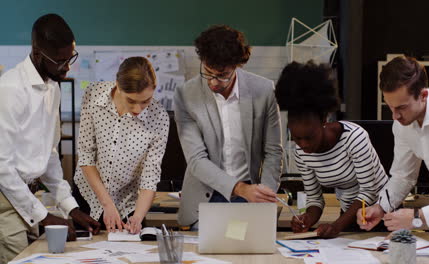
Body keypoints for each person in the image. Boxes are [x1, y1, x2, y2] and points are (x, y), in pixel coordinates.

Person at [0, 14, 100, 262]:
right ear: (37, 53)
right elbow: (1, 165)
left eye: (70, 59)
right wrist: (44, 216)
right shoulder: (11, 89)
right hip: (5, 196)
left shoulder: (52, 86)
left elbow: (50, 154)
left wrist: (70, 207)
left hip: (26, 196)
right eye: (60, 61)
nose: (67, 68)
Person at [174, 25, 283, 227]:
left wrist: (264, 197)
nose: (213, 82)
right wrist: (240, 189)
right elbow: (197, 160)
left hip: (252, 195)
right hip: (206, 196)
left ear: (237, 65)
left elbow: (273, 151)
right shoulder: (185, 96)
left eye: (222, 75)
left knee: (250, 255)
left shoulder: (264, 90)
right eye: (208, 72)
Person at [357, 56, 429, 248]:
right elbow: (403, 176)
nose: (395, 116)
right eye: (390, 106)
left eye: (401, 107)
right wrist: (381, 207)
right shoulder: (403, 123)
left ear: (423, 95)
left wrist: (418, 217)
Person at [275, 61, 389, 238]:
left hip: (383, 212)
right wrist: (307, 219)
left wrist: (336, 227)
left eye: (309, 137)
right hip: (349, 214)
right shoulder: (302, 154)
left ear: (324, 120)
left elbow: (369, 191)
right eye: (297, 138)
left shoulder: (354, 138)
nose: (303, 145)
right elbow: (315, 199)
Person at [74, 57, 169, 234]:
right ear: (117, 85)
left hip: (128, 204)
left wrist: (138, 217)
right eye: (131, 101)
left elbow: (150, 176)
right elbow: (86, 155)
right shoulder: (93, 95)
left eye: (145, 101)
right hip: (88, 195)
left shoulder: (159, 118)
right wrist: (107, 204)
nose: (138, 109)